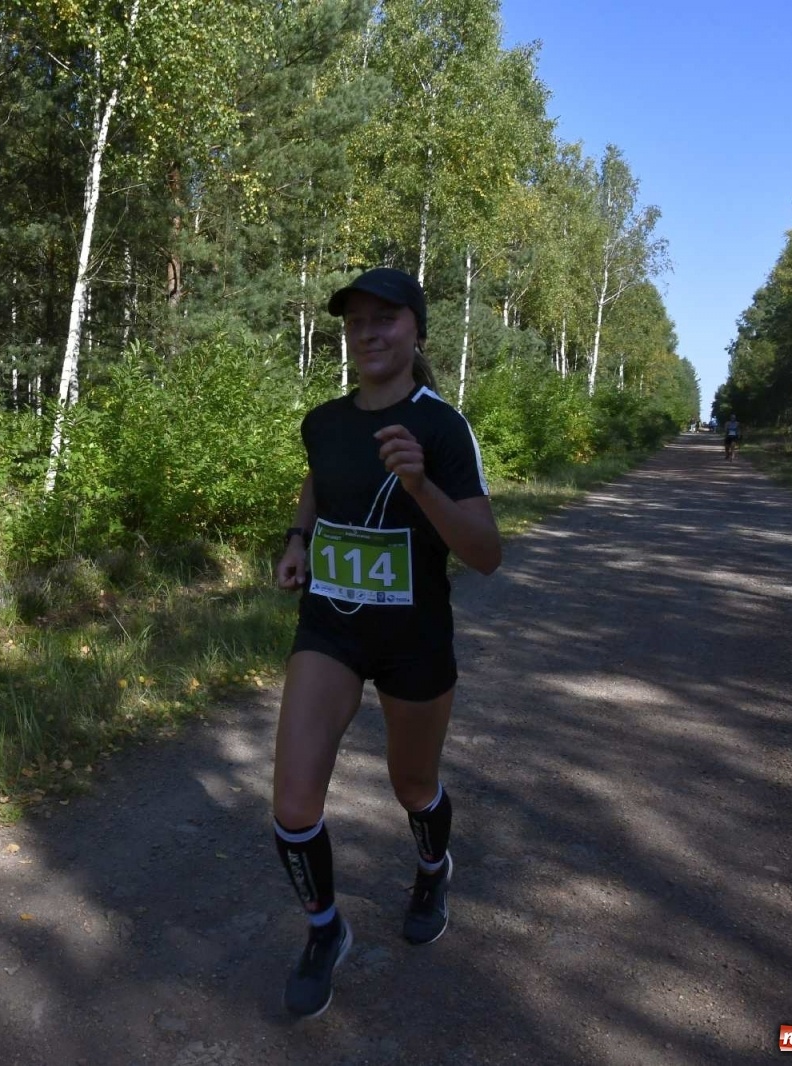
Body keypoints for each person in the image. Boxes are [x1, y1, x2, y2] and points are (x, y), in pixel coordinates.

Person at [271, 267, 501, 1019]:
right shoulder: (324, 420)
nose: (368, 332)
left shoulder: (441, 426)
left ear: (416, 331)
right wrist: (299, 539)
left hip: (414, 640)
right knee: (294, 801)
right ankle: (323, 929)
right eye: (356, 321)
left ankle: (433, 866)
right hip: (330, 625)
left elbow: (486, 553)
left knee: (412, 787)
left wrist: (422, 486)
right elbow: (318, 481)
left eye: (386, 318)